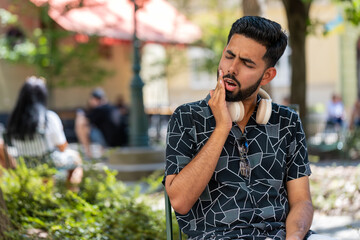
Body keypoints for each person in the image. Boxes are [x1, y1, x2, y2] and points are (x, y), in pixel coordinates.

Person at [164, 16, 335, 240]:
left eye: (247, 63)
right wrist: (221, 128)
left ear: (267, 75)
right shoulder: (187, 117)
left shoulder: (287, 122)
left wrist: (294, 238)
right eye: (229, 56)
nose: (231, 68)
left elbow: (302, 201)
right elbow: (180, 202)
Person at [6, 76, 83, 190]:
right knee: (76, 158)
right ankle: (71, 194)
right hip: (47, 164)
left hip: (24, 166)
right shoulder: (49, 118)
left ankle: (46, 193)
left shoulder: (14, 121)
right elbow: (62, 147)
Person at [75, 88, 128, 157]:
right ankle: (101, 152)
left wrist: (80, 114)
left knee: (81, 122)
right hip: (122, 143)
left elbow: (83, 121)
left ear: (94, 99)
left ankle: (88, 153)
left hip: (110, 144)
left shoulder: (99, 109)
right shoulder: (112, 107)